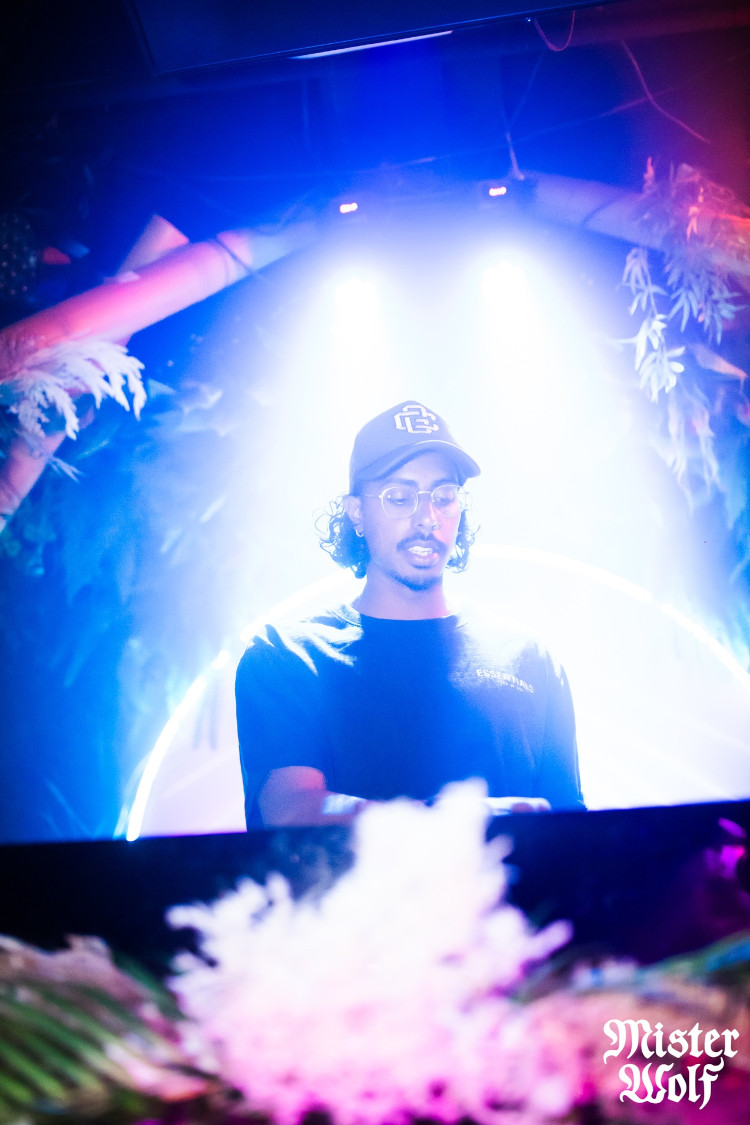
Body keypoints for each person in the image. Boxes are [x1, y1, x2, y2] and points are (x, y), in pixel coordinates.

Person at [236, 400, 585, 827]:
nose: (427, 518)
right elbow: (290, 811)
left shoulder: (529, 658)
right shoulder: (289, 656)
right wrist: (455, 821)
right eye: (399, 498)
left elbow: (574, 831)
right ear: (356, 512)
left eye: (444, 497)